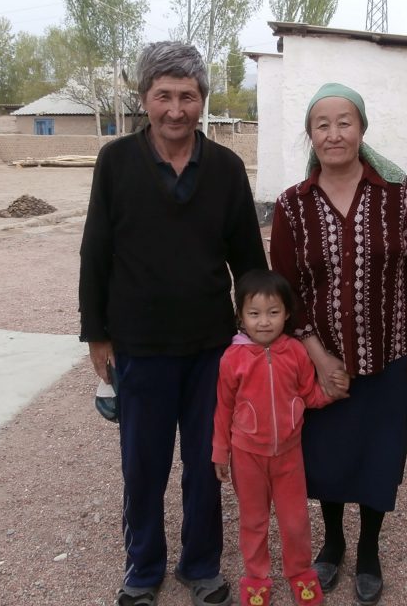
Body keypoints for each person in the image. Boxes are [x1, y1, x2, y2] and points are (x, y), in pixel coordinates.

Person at [78, 41, 268, 606]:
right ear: (145, 99)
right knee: (143, 464)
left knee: (208, 463)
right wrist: (97, 334)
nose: (176, 109)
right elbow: (96, 252)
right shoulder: (116, 162)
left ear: (203, 101)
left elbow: (249, 262)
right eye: (164, 95)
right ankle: (143, 567)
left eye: (188, 96)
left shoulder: (227, 169)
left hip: (212, 346)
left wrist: (259, 335)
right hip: (139, 345)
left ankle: (201, 565)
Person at [268, 83, 407, 606]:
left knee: (378, 455)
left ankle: (368, 548)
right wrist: (315, 357)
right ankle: (334, 543)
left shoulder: (398, 192)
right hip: (321, 365)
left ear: (362, 130)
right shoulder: (293, 206)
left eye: (344, 122)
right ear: (311, 135)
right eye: (322, 124)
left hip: (390, 355)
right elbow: (285, 288)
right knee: (325, 458)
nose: (334, 133)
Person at [212, 269, 349, 606]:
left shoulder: (295, 352)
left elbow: (309, 395)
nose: (263, 322)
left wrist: (332, 392)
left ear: (287, 314)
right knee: (254, 521)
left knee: (295, 520)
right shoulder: (232, 358)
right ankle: (256, 578)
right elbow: (223, 408)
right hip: (247, 456)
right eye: (254, 313)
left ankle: (300, 572)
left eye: (273, 313)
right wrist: (220, 452)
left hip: (289, 455)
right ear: (240, 316)